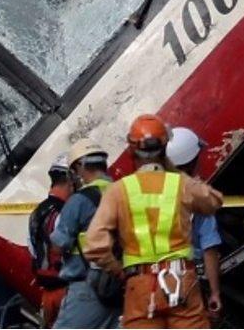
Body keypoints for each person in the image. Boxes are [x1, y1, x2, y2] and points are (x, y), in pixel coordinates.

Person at [85, 114, 223, 329]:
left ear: (131, 150)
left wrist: (119, 270)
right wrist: (172, 169)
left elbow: (94, 245)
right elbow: (213, 201)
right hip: (181, 281)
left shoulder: (118, 191)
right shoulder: (180, 184)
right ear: (165, 149)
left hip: (139, 284)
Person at [50, 139, 116, 329]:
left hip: (88, 290)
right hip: (123, 285)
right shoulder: (123, 191)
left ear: (78, 167)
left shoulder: (78, 201)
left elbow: (58, 245)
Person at [166, 127, 224, 321]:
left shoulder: (154, 195)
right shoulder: (198, 196)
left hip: (159, 281)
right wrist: (215, 292)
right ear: (192, 161)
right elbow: (209, 249)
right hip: (192, 279)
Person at [29, 154, 73, 328]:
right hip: (68, 294)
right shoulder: (67, 212)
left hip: (47, 297)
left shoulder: (36, 213)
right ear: (71, 179)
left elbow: (34, 251)